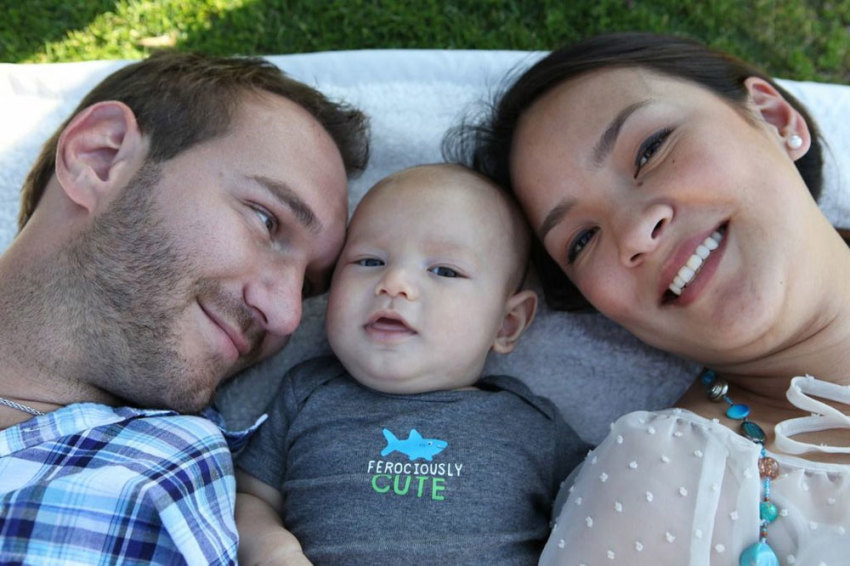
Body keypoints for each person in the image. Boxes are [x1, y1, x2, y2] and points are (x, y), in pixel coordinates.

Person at [453, 32, 850, 565]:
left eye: (650, 150)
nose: (636, 233)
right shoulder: (661, 484)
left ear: (775, 118)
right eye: (582, 240)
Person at [0, 52, 369, 564]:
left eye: (307, 287)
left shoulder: (179, 481)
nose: (286, 315)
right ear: (99, 157)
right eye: (267, 220)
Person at [235, 164, 589, 565]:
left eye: (444, 271)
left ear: (506, 324)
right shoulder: (306, 393)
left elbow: (607, 507)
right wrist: (271, 550)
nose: (394, 283)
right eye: (369, 261)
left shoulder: (532, 425)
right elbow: (249, 496)